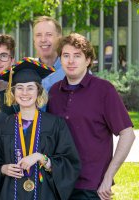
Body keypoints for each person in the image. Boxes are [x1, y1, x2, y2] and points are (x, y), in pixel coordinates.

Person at [47, 33, 135, 200]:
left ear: (88, 60)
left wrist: (108, 177)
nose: (71, 61)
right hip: (59, 184)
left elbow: (127, 134)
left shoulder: (104, 90)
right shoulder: (54, 92)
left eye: (77, 56)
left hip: (91, 187)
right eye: (66, 55)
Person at [0, 57, 81, 200]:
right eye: (19, 88)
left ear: (39, 92)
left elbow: (70, 163)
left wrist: (41, 157)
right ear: (13, 93)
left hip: (45, 194)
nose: (25, 93)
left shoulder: (55, 125)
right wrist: (3, 169)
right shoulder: (3, 126)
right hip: (10, 194)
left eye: (30, 88)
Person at [33, 16, 64, 92]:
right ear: (34, 41)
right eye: (38, 35)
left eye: (49, 34)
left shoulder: (72, 69)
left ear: (59, 38)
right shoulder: (27, 70)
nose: (43, 40)